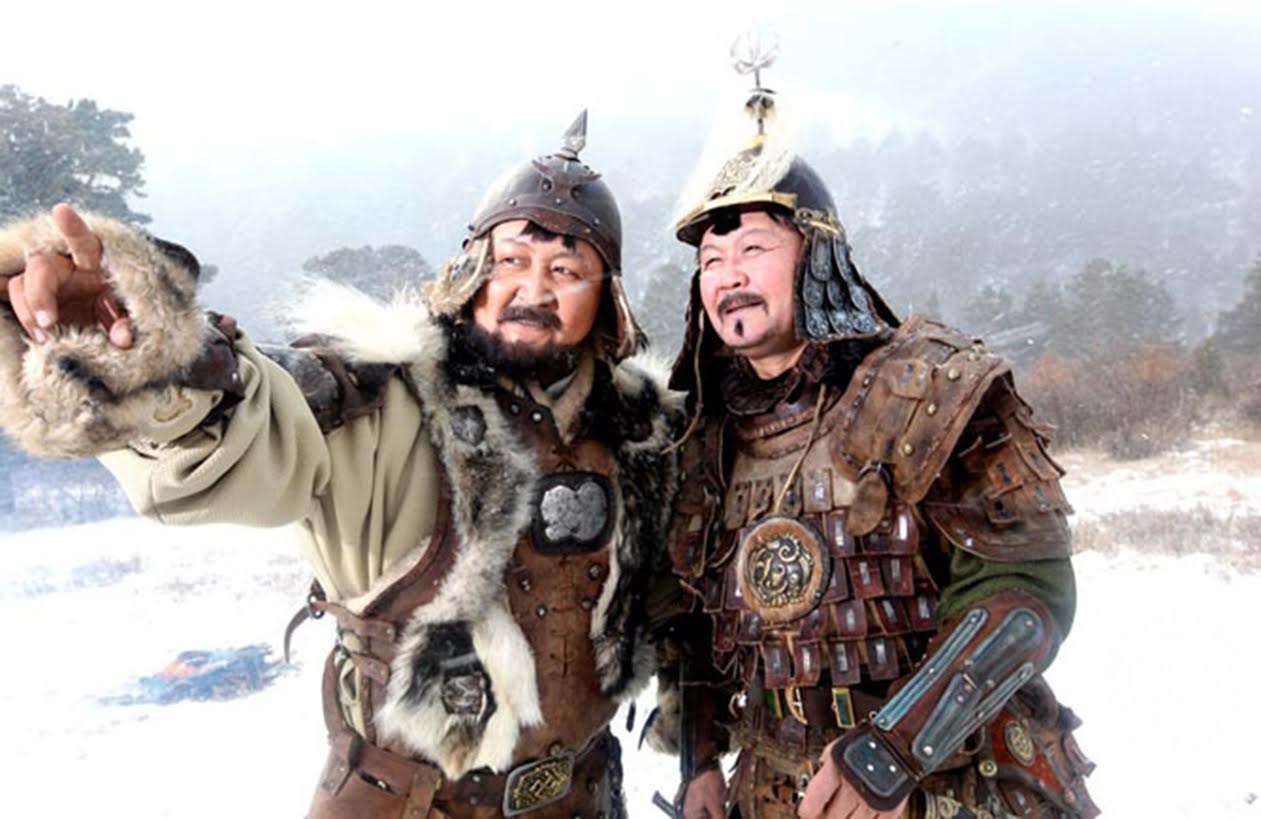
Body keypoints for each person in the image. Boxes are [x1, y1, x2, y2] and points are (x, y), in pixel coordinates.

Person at [0, 113, 682, 818]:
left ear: (607, 295)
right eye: (512, 261)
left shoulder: (641, 431)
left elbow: (677, 593)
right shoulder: (382, 396)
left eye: (566, 270)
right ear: (474, 269)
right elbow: (245, 423)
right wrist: (141, 346)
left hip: (587, 798)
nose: (532, 290)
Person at [647, 59, 1099, 819]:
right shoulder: (702, 439)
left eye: (754, 249)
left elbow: (1025, 595)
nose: (729, 277)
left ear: (816, 253)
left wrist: (893, 749)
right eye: (711, 263)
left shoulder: (930, 391)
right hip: (771, 788)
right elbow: (693, 624)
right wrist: (699, 763)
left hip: (953, 781)